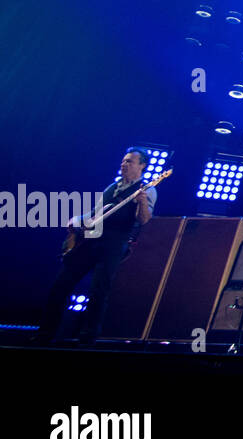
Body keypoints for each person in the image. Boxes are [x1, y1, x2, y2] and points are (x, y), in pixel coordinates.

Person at [34, 148, 158, 345]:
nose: (124, 164)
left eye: (130, 162)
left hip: (114, 243)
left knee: (99, 291)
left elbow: (144, 220)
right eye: (124, 161)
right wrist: (77, 220)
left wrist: (141, 202)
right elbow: (95, 215)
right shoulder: (112, 187)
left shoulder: (148, 189)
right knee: (61, 285)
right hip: (91, 239)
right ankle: (45, 333)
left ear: (142, 165)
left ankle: (87, 338)